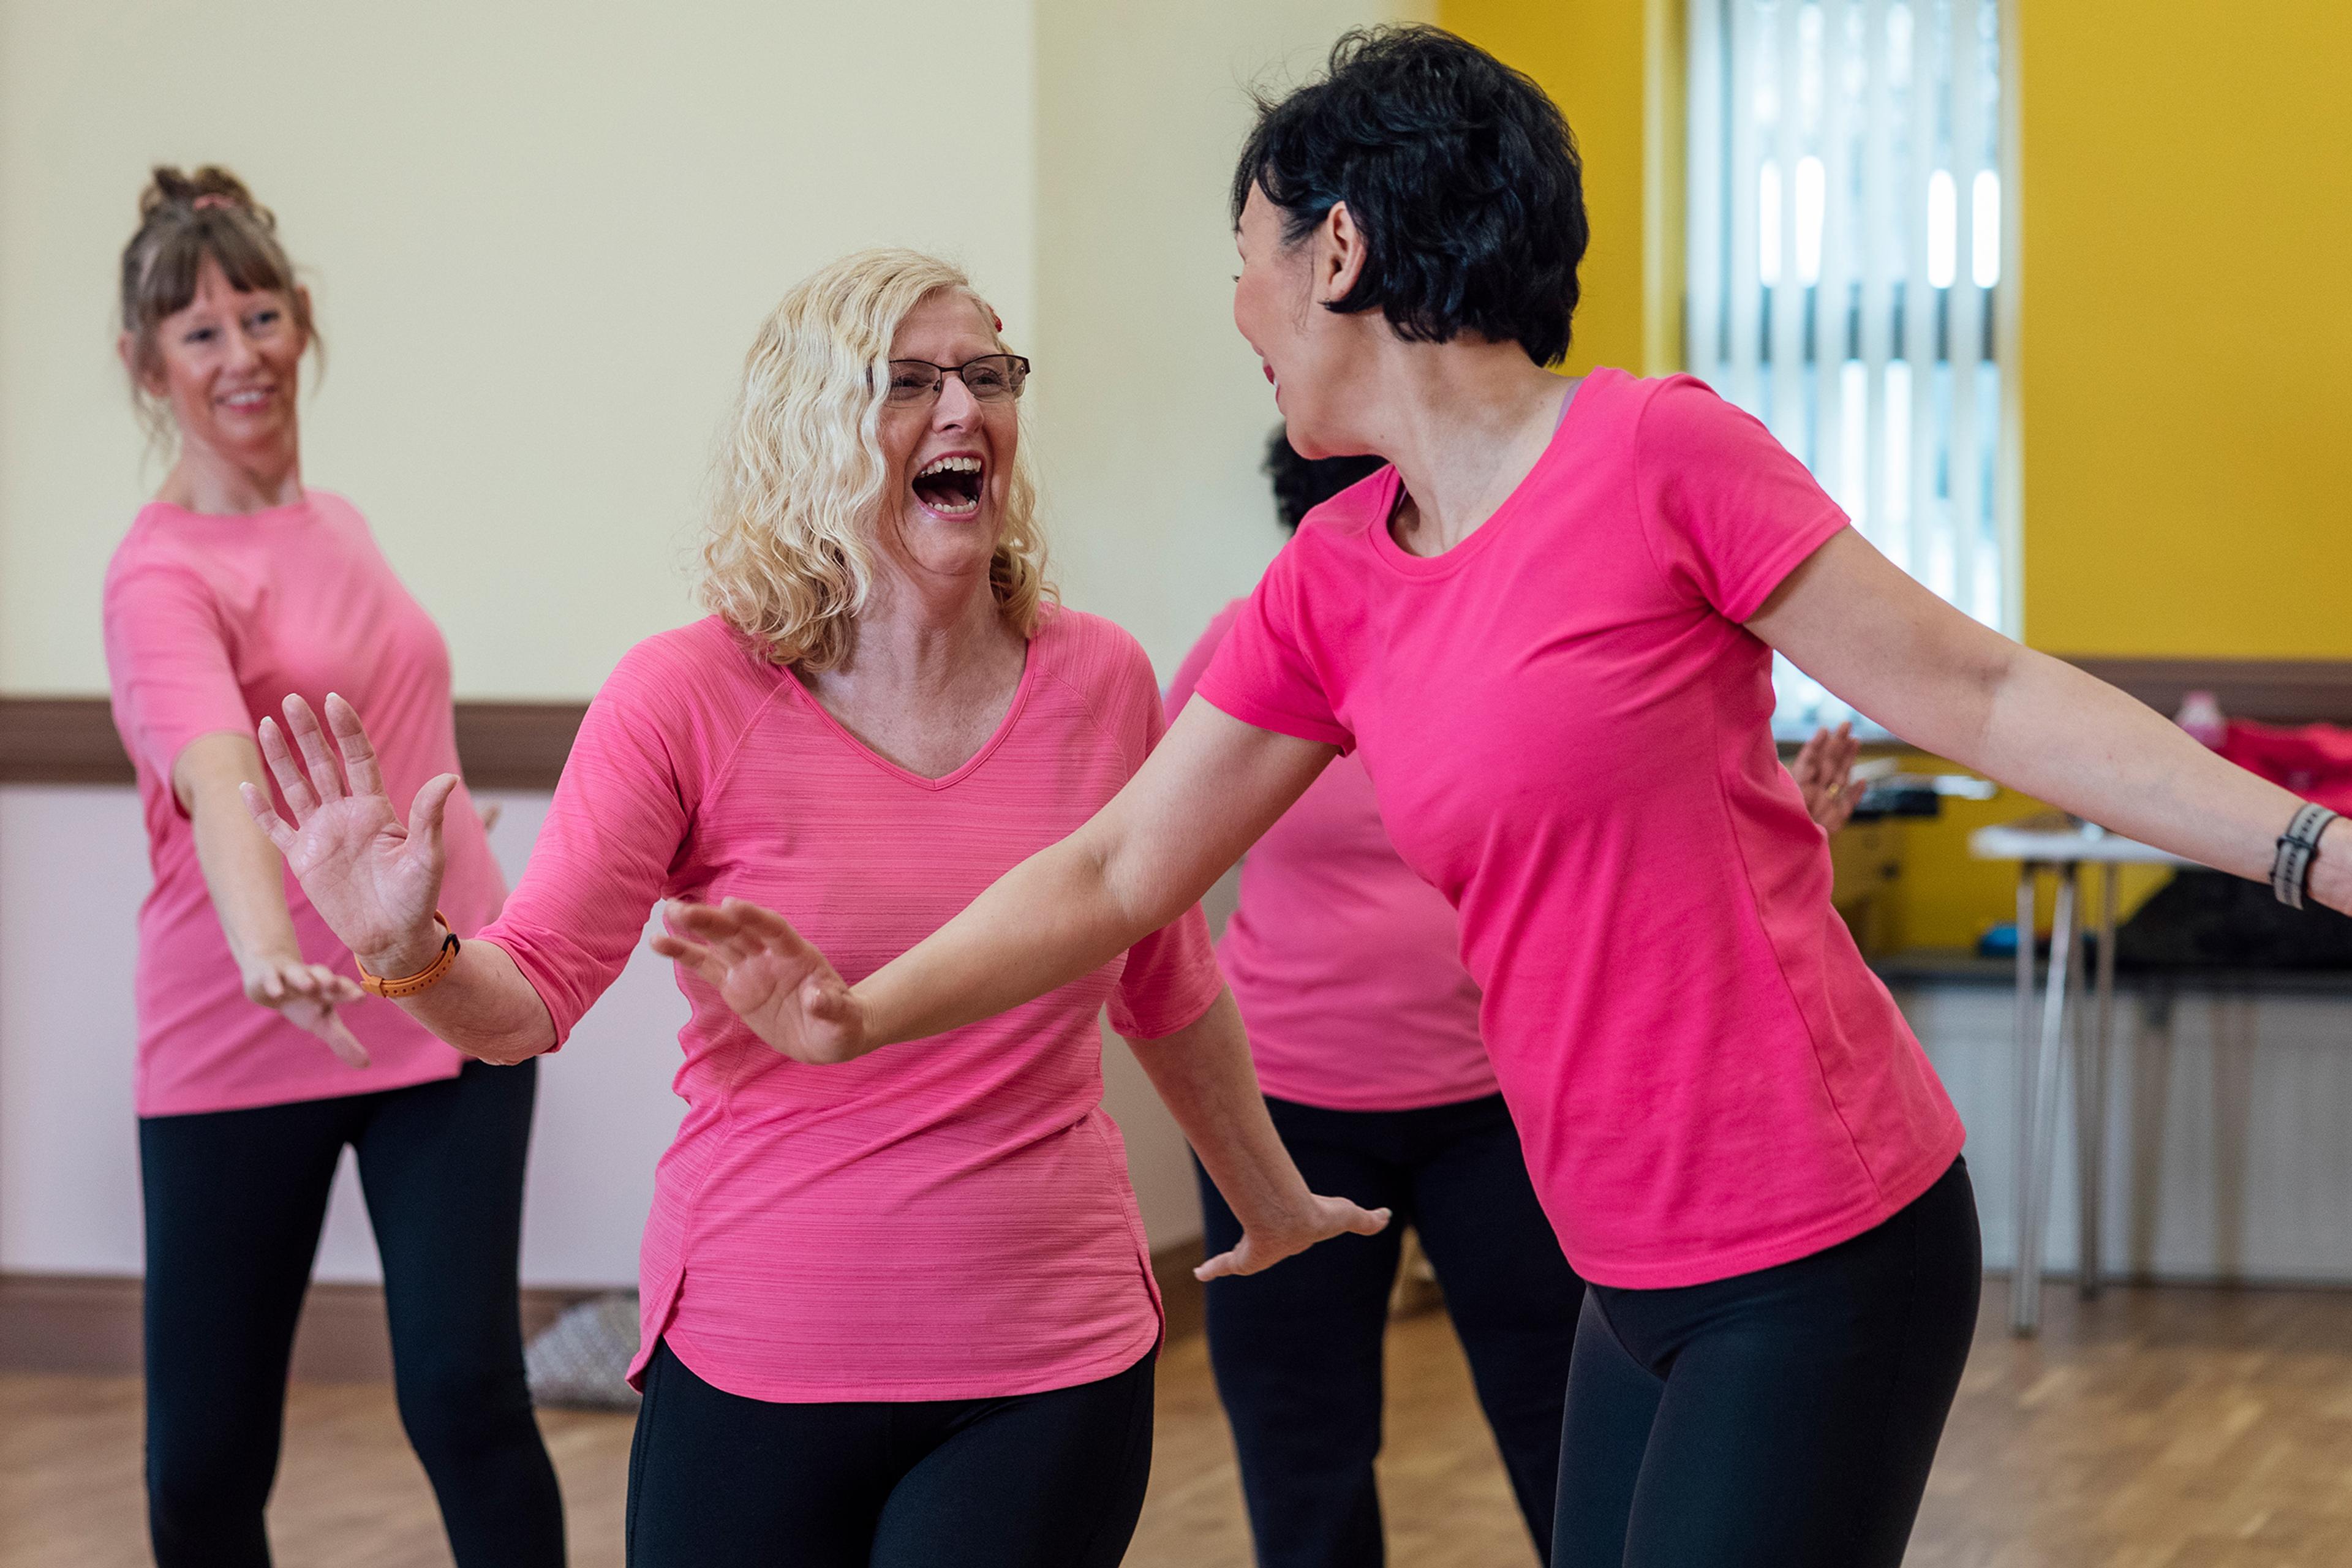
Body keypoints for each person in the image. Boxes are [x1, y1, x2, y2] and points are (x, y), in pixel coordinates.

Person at [631, 29, 2352, 1568]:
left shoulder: (1658, 455)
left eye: (1246, 261)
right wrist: (857, 1012)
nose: (1235, 312)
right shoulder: (1335, 577)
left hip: (1825, 1237)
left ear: (1342, 251)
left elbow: (1979, 689)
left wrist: (2313, 848)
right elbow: (1114, 868)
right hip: (1626, 1266)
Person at [241, 248, 1386, 1568]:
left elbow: (1166, 982)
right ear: (814, 432)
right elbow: (527, 999)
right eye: (908, 382)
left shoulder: (1103, 680)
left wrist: (1272, 1198)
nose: (963, 410)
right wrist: (409, 952)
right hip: (755, 1349)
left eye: (987, 374)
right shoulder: (683, 696)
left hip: (1045, 1352)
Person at [1172, 431, 1863, 1568]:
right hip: (1286, 1102)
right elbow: (1135, 867)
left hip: (1498, 1101)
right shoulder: (1245, 652)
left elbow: (1637, 841)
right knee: (1303, 1448)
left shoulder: (1504, 655)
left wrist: (1782, 822)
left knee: (1565, 1424)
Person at [100, 166, 562, 1567]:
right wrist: (260, 947)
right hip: (246, 1022)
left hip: (442, 996)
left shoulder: (339, 521)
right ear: (145, 366)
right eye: (198, 332)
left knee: (469, 1390)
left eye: (259, 315)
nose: (241, 355)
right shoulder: (158, 577)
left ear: (301, 320)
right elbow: (217, 770)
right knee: (206, 1453)